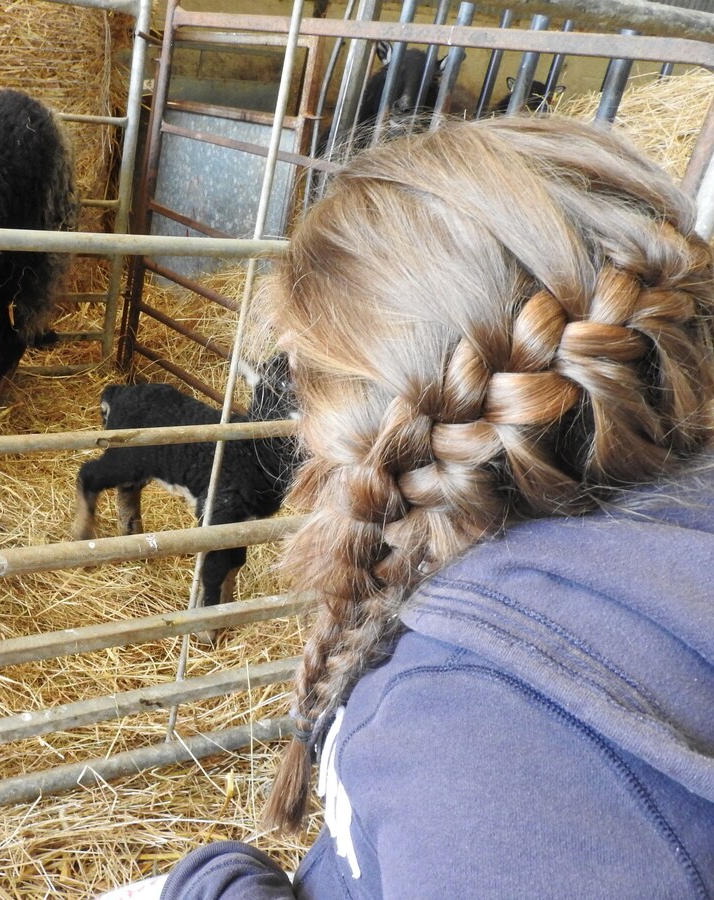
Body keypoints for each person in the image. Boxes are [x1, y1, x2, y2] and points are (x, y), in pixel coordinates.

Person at [156, 116, 714, 897]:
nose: (299, 425)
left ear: (370, 415)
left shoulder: (482, 740)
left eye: (305, 382)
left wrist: (218, 884)